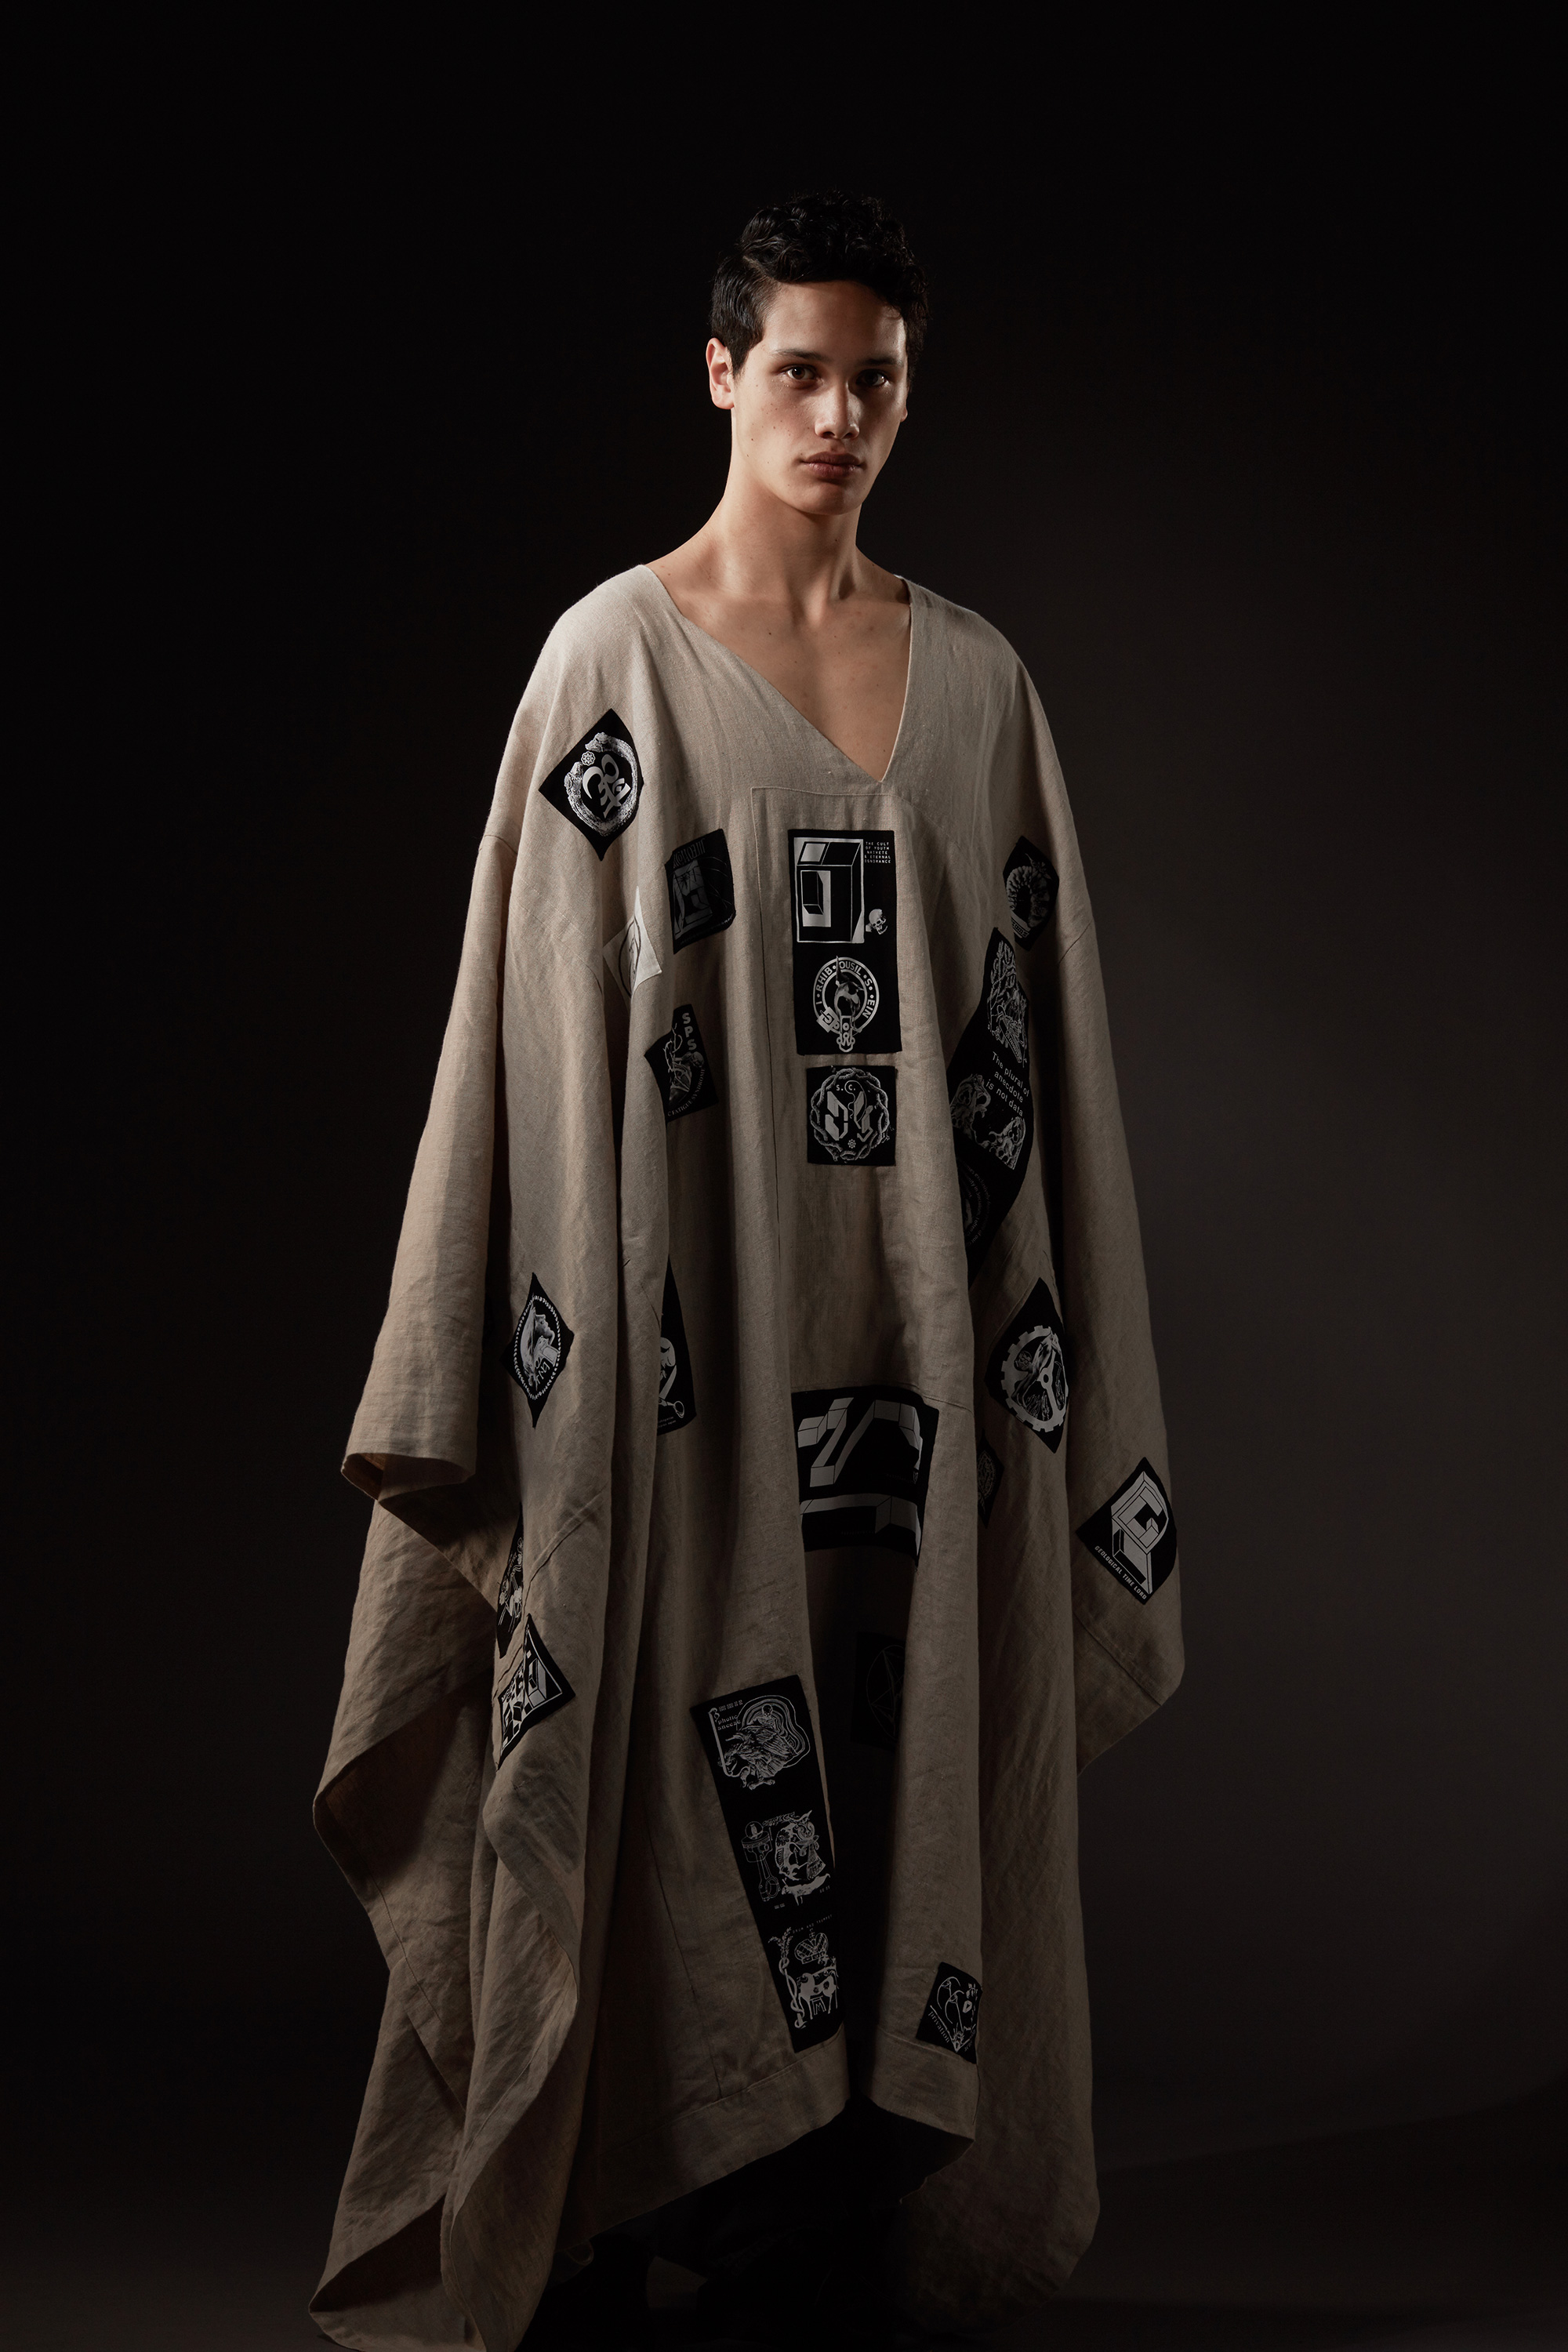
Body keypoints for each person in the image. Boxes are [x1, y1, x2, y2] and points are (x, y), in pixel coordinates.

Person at [311, 191, 1184, 2352]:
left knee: (902, 1718)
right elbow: (523, 1051)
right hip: (675, 1354)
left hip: (916, 1357)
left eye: (878, 378)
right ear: (720, 374)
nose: (839, 415)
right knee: (648, 1702)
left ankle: (848, 2205)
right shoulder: (610, 668)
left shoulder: (979, 692)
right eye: (800, 370)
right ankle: (614, 2193)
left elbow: (1037, 1068)